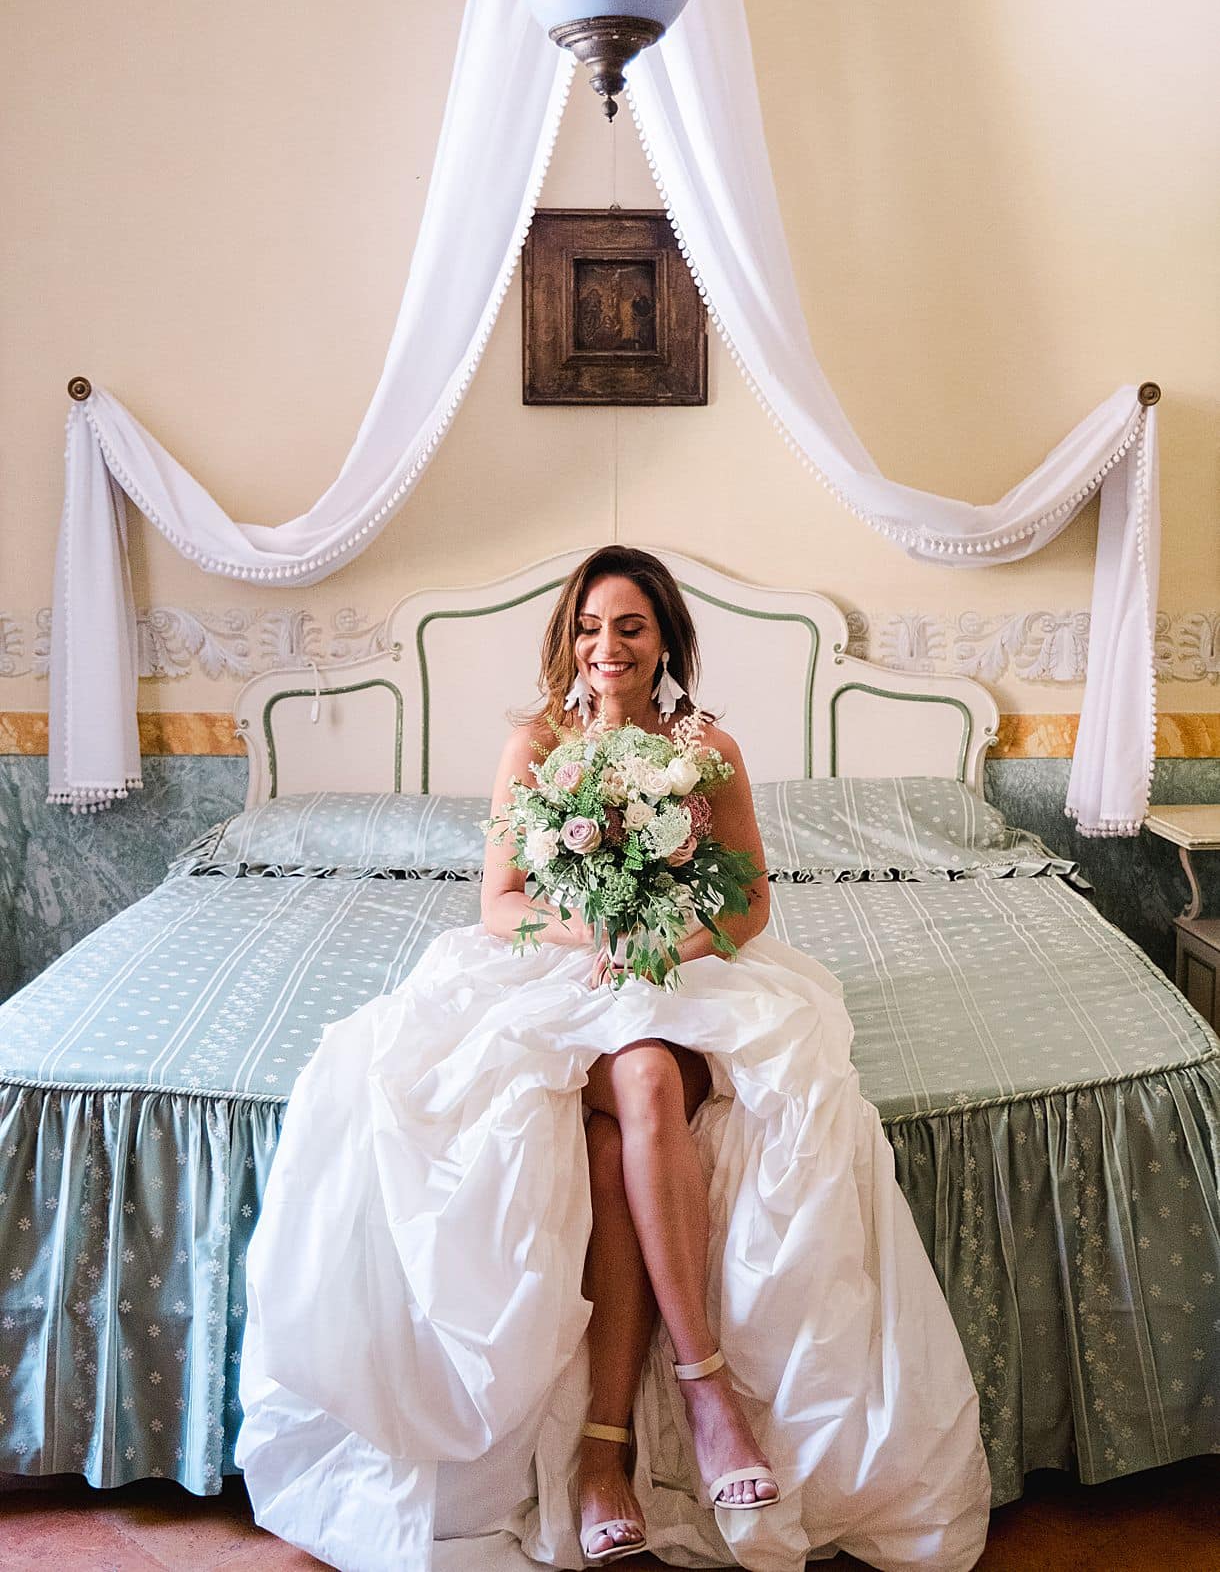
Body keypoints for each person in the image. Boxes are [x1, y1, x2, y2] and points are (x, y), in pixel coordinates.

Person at [237, 547, 991, 1572]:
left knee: (625, 1113)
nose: (607, 647)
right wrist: (587, 934)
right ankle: (702, 1394)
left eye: (630, 627)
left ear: (665, 638)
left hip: (677, 968)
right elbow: (500, 899)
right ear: (568, 636)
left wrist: (656, 944)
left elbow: (747, 901)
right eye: (591, 626)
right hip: (558, 970)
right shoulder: (533, 745)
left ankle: (616, 1449)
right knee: (623, 1084)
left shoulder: (703, 744)